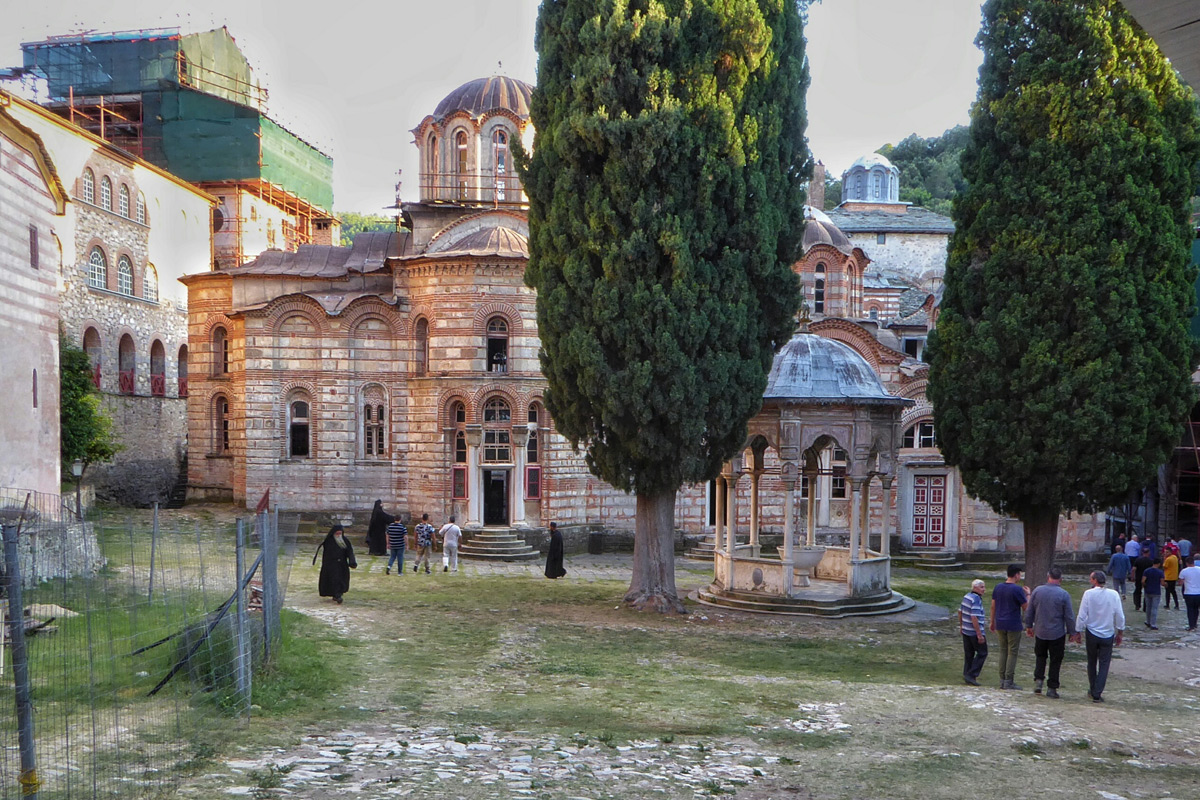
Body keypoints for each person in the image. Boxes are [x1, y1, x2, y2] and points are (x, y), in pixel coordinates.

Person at [1023, 566, 1075, 699]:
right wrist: (1072, 632)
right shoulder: (1064, 594)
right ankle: (1052, 687)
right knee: (1055, 660)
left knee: (1040, 657)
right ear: (1060, 579)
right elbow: (1068, 615)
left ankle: (1038, 681)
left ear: (1048, 577)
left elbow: (1030, 610)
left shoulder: (1038, 591)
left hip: (1040, 630)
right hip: (1057, 632)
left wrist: (1029, 625)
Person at [1075, 570, 1125, 703]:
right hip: (1107, 632)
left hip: (1092, 631)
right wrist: (1120, 631)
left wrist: (1078, 630)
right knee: (1104, 664)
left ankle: (1093, 688)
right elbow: (1119, 615)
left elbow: (1082, 614)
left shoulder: (1089, 594)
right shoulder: (1113, 594)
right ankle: (1098, 691)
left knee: (1091, 662)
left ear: (1095, 580)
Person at [990, 564, 1028, 690]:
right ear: (1016, 574)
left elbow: (993, 606)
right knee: (1012, 652)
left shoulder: (998, 587)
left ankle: (1001, 679)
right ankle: (1009, 680)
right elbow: (1026, 607)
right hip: (1013, 623)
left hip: (1000, 622)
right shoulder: (1017, 589)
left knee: (1003, 650)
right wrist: (1028, 595)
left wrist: (992, 621)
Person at [313, 524, 357, 604]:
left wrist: (352, 562)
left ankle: (338, 594)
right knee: (334, 580)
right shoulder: (329, 542)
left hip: (342, 565)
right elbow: (327, 555)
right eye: (337, 534)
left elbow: (350, 552)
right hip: (331, 565)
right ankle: (336, 595)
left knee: (341, 581)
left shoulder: (345, 541)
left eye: (340, 534)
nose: (339, 535)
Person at [958, 579, 988, 686]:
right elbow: (974, 616)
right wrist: (979, 634)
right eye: (982, 587)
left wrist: (961, 625)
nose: (984, 590)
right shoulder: (976, 599)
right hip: (974, 632)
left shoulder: (967, 596)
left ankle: (967, 673)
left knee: (969, 654)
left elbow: (960, 611)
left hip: (966, 630)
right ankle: (972, 674)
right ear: (975, 588)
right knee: (982, 652)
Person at [1142, 559, 1164, 630]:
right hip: (1156, 591)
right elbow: (1162, 583)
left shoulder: (1147, 571)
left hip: (1148, 591)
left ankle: (1148, 621)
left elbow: (1143, 581)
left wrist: (1145, 586)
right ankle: (1153, 623)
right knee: (1154, 608)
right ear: (1159, 564)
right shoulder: (1160, 572)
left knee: (1148, 607)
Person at [1180, 555, 1200, 631]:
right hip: (1198, 592)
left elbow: (1180, 582)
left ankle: (1191, 625)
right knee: (1196, 609)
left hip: (1189, 592)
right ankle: (1194, 623)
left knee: (1190, 609)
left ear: (1186, 563)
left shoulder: (1184, 571)